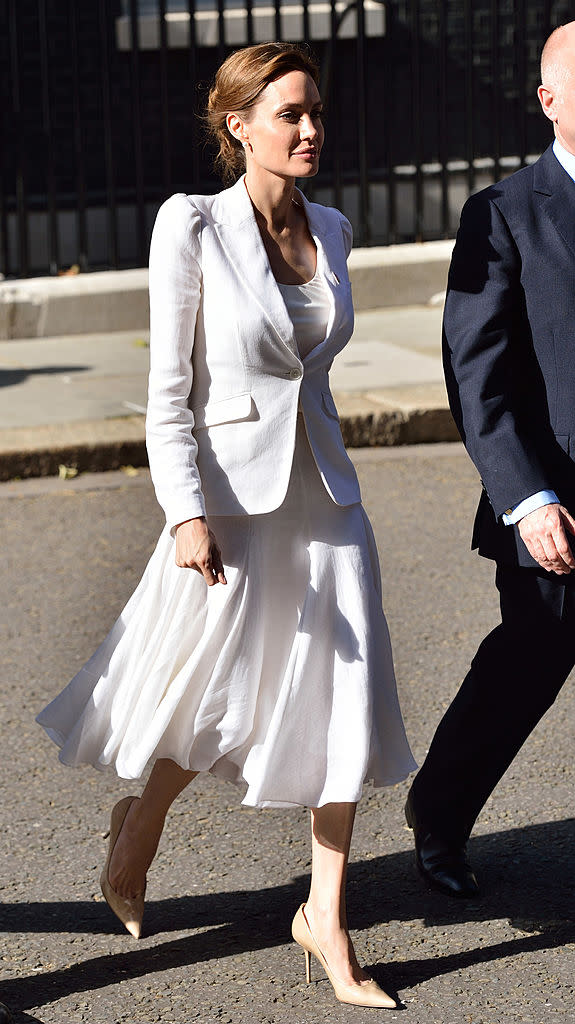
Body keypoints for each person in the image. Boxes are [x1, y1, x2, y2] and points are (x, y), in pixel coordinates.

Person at [37, 43, 415, 1006]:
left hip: (323, 495)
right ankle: (141, 824)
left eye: (315, 111)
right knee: (214, 689)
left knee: (344, 695)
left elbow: (311, 373)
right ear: (237, 124)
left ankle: (325, 919)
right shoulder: (191, 225)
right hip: (230, 500)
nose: (310, 129)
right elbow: (167, 395)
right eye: (288, 113)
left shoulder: (332, 224)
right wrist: (184, 514)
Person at [404, 21, 575, 898]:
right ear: (548, 101)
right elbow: (479, 378)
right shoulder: (504, 211)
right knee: (527, 668)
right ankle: (438, 811)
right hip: (555, 501)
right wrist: (528, 497)